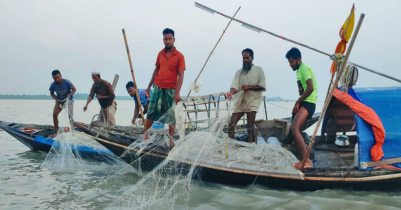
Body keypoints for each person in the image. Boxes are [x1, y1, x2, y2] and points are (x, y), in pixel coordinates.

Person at [144, 28, 186, 146]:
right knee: (151, 111)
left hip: (171, 89)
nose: (167, 41)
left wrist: (177, 92)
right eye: (165, 39)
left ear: (174, 40)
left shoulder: (179, 56)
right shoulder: (160, 54)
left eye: (170, 39)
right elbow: (156, 69)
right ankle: (146, 134)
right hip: (157, 87)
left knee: (171, 115)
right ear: (163, 40)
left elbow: (181, 75)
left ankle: (171, 139)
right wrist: (148, 87)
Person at [285, 47, 318, 170]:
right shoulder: (298, 71)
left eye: (292, 62)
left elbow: (310, 88)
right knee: (294, 127)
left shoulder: (304, 68)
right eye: (289, 62)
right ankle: (292, 150)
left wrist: (297, 102)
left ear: (298, 59)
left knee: (294, 128)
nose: (290, 64)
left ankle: (306, 161)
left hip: (309, 103)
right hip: (304, 102)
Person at [227, 48, 266, 143]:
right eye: (243, 58)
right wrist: (231, 93)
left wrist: (248, 87)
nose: (245, 60)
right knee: (231, 124)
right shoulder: (239, 72)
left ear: (252, 58)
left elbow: (262, 86)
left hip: (253, 100)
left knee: (250, 126)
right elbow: (235, 86)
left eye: (247, 58)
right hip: (241, 101)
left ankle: (251, 146)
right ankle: (231, 146)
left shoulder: (259, 70)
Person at [49, 70, 76, 137]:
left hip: (68, 100)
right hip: (60, 101)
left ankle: (73, 131)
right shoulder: (53, 85)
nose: (57, 79)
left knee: (70, 116)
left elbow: (74, 89)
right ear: (53, 78)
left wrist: (70, 94)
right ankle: (57, 131)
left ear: (61, 76)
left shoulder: (67, 82)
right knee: (54, 114)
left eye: (58, 77)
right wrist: (57, 99)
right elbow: (52, 94)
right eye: (55, 78)